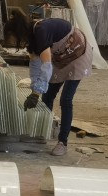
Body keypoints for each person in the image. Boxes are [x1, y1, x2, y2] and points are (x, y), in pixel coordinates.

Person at [22, 16, 92, 156]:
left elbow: (46, 66)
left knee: (66, 99)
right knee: (48, 96)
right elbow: (35, 65)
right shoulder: (32, 39)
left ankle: (62, 143)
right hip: (61, 58)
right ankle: (43, 132)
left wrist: (36, 93)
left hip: (78, 54)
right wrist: (34, 90)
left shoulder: (41, 32)